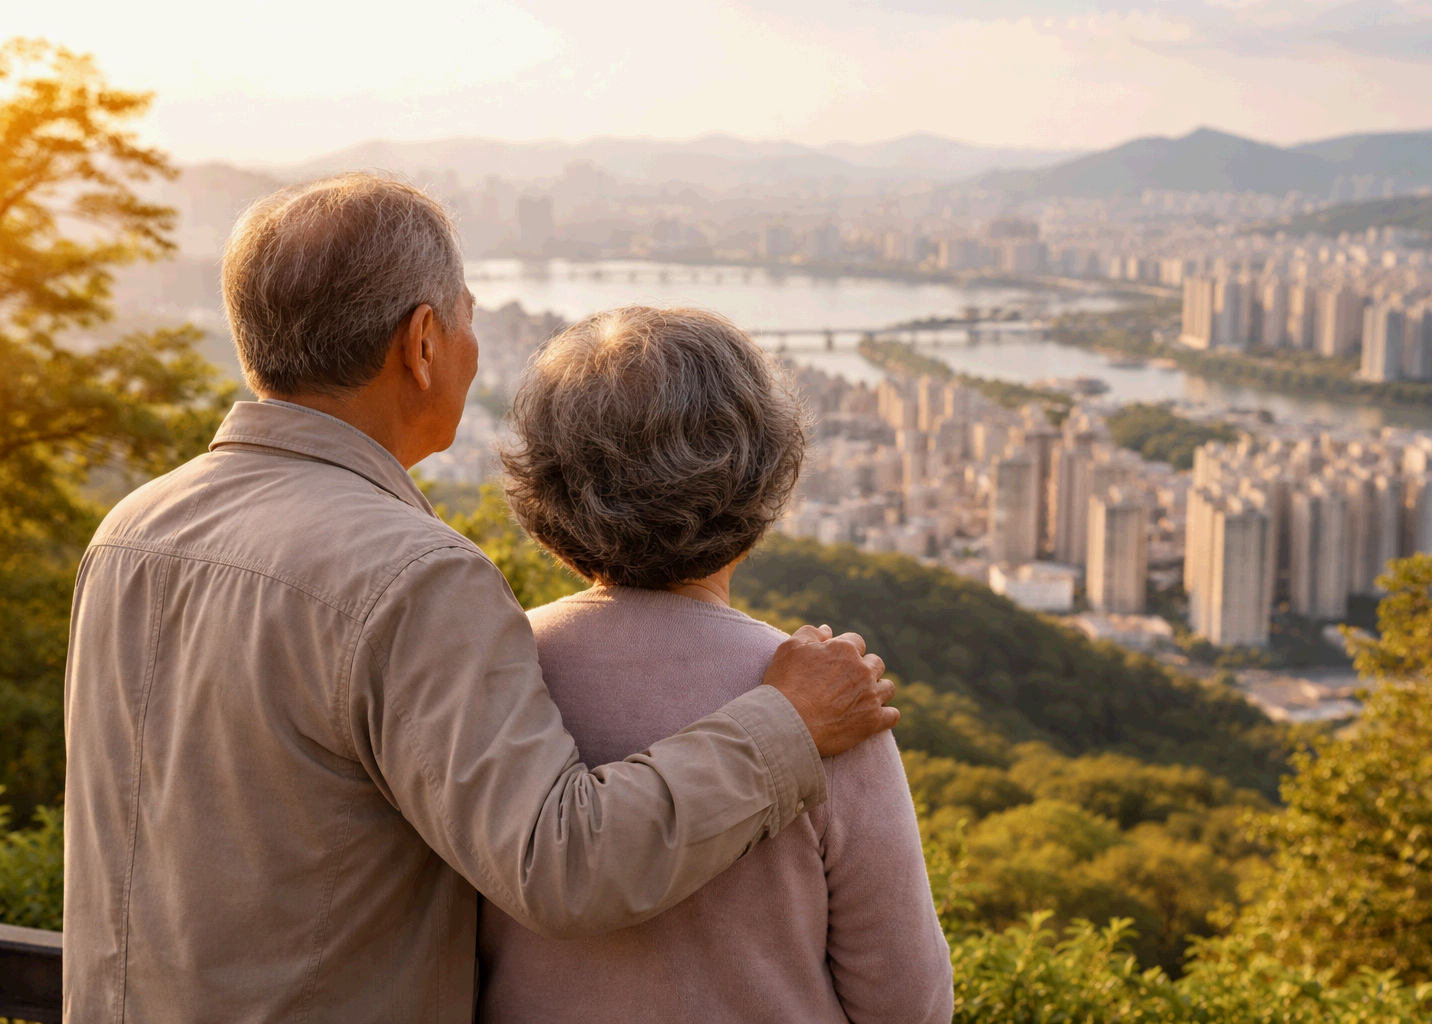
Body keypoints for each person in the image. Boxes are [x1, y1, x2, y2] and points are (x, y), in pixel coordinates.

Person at [61, 174, 897, 1023]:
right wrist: (785, 723)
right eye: (466, 318)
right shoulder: (409, 574)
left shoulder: (133, 529)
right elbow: (560, 866)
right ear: (422, 343)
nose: (472, 347)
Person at [477, 306, 952, 1024]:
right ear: (759, 484)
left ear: (546, 491)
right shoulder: (825, 701)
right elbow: (908, 1004)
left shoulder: (486, 679)